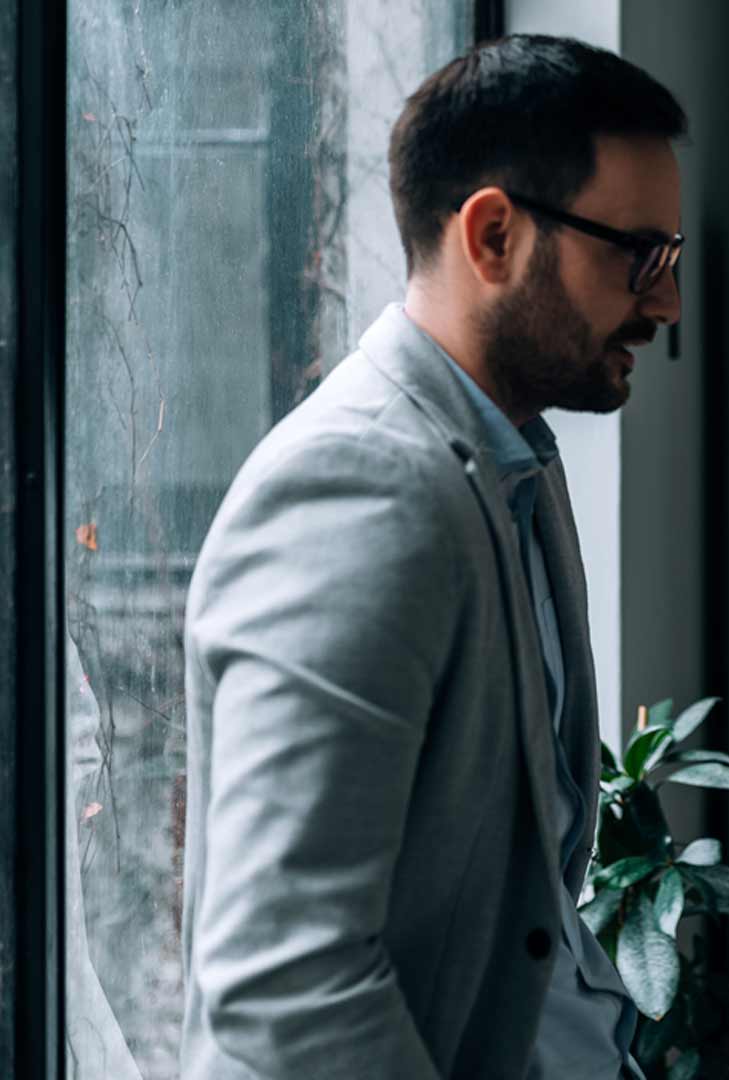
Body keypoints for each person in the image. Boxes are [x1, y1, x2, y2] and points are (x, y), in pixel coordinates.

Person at [179, 35, 685, 1078]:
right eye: (638, 258)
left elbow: (525, 900)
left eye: (672, 263)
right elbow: (287, 984)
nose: (666, 303)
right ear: (493, 235)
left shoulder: (515, 460)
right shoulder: (357, 489)